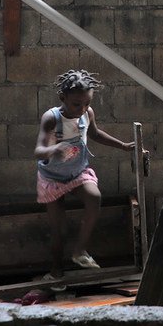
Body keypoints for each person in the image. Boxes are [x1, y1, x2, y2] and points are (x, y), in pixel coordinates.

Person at [35, 70, 142, 281]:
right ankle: (56, 273)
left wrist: (123, 146)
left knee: (94, 197)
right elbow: (38, 150)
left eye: (87, 103)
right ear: (62, 98)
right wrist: (53, 150)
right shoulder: (51, 119)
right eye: (77, 104)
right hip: (52, 178)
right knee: (59, 230)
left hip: (77, 173)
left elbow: (94, 134)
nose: (82, 109)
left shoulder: (86, 113)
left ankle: (80, 251)